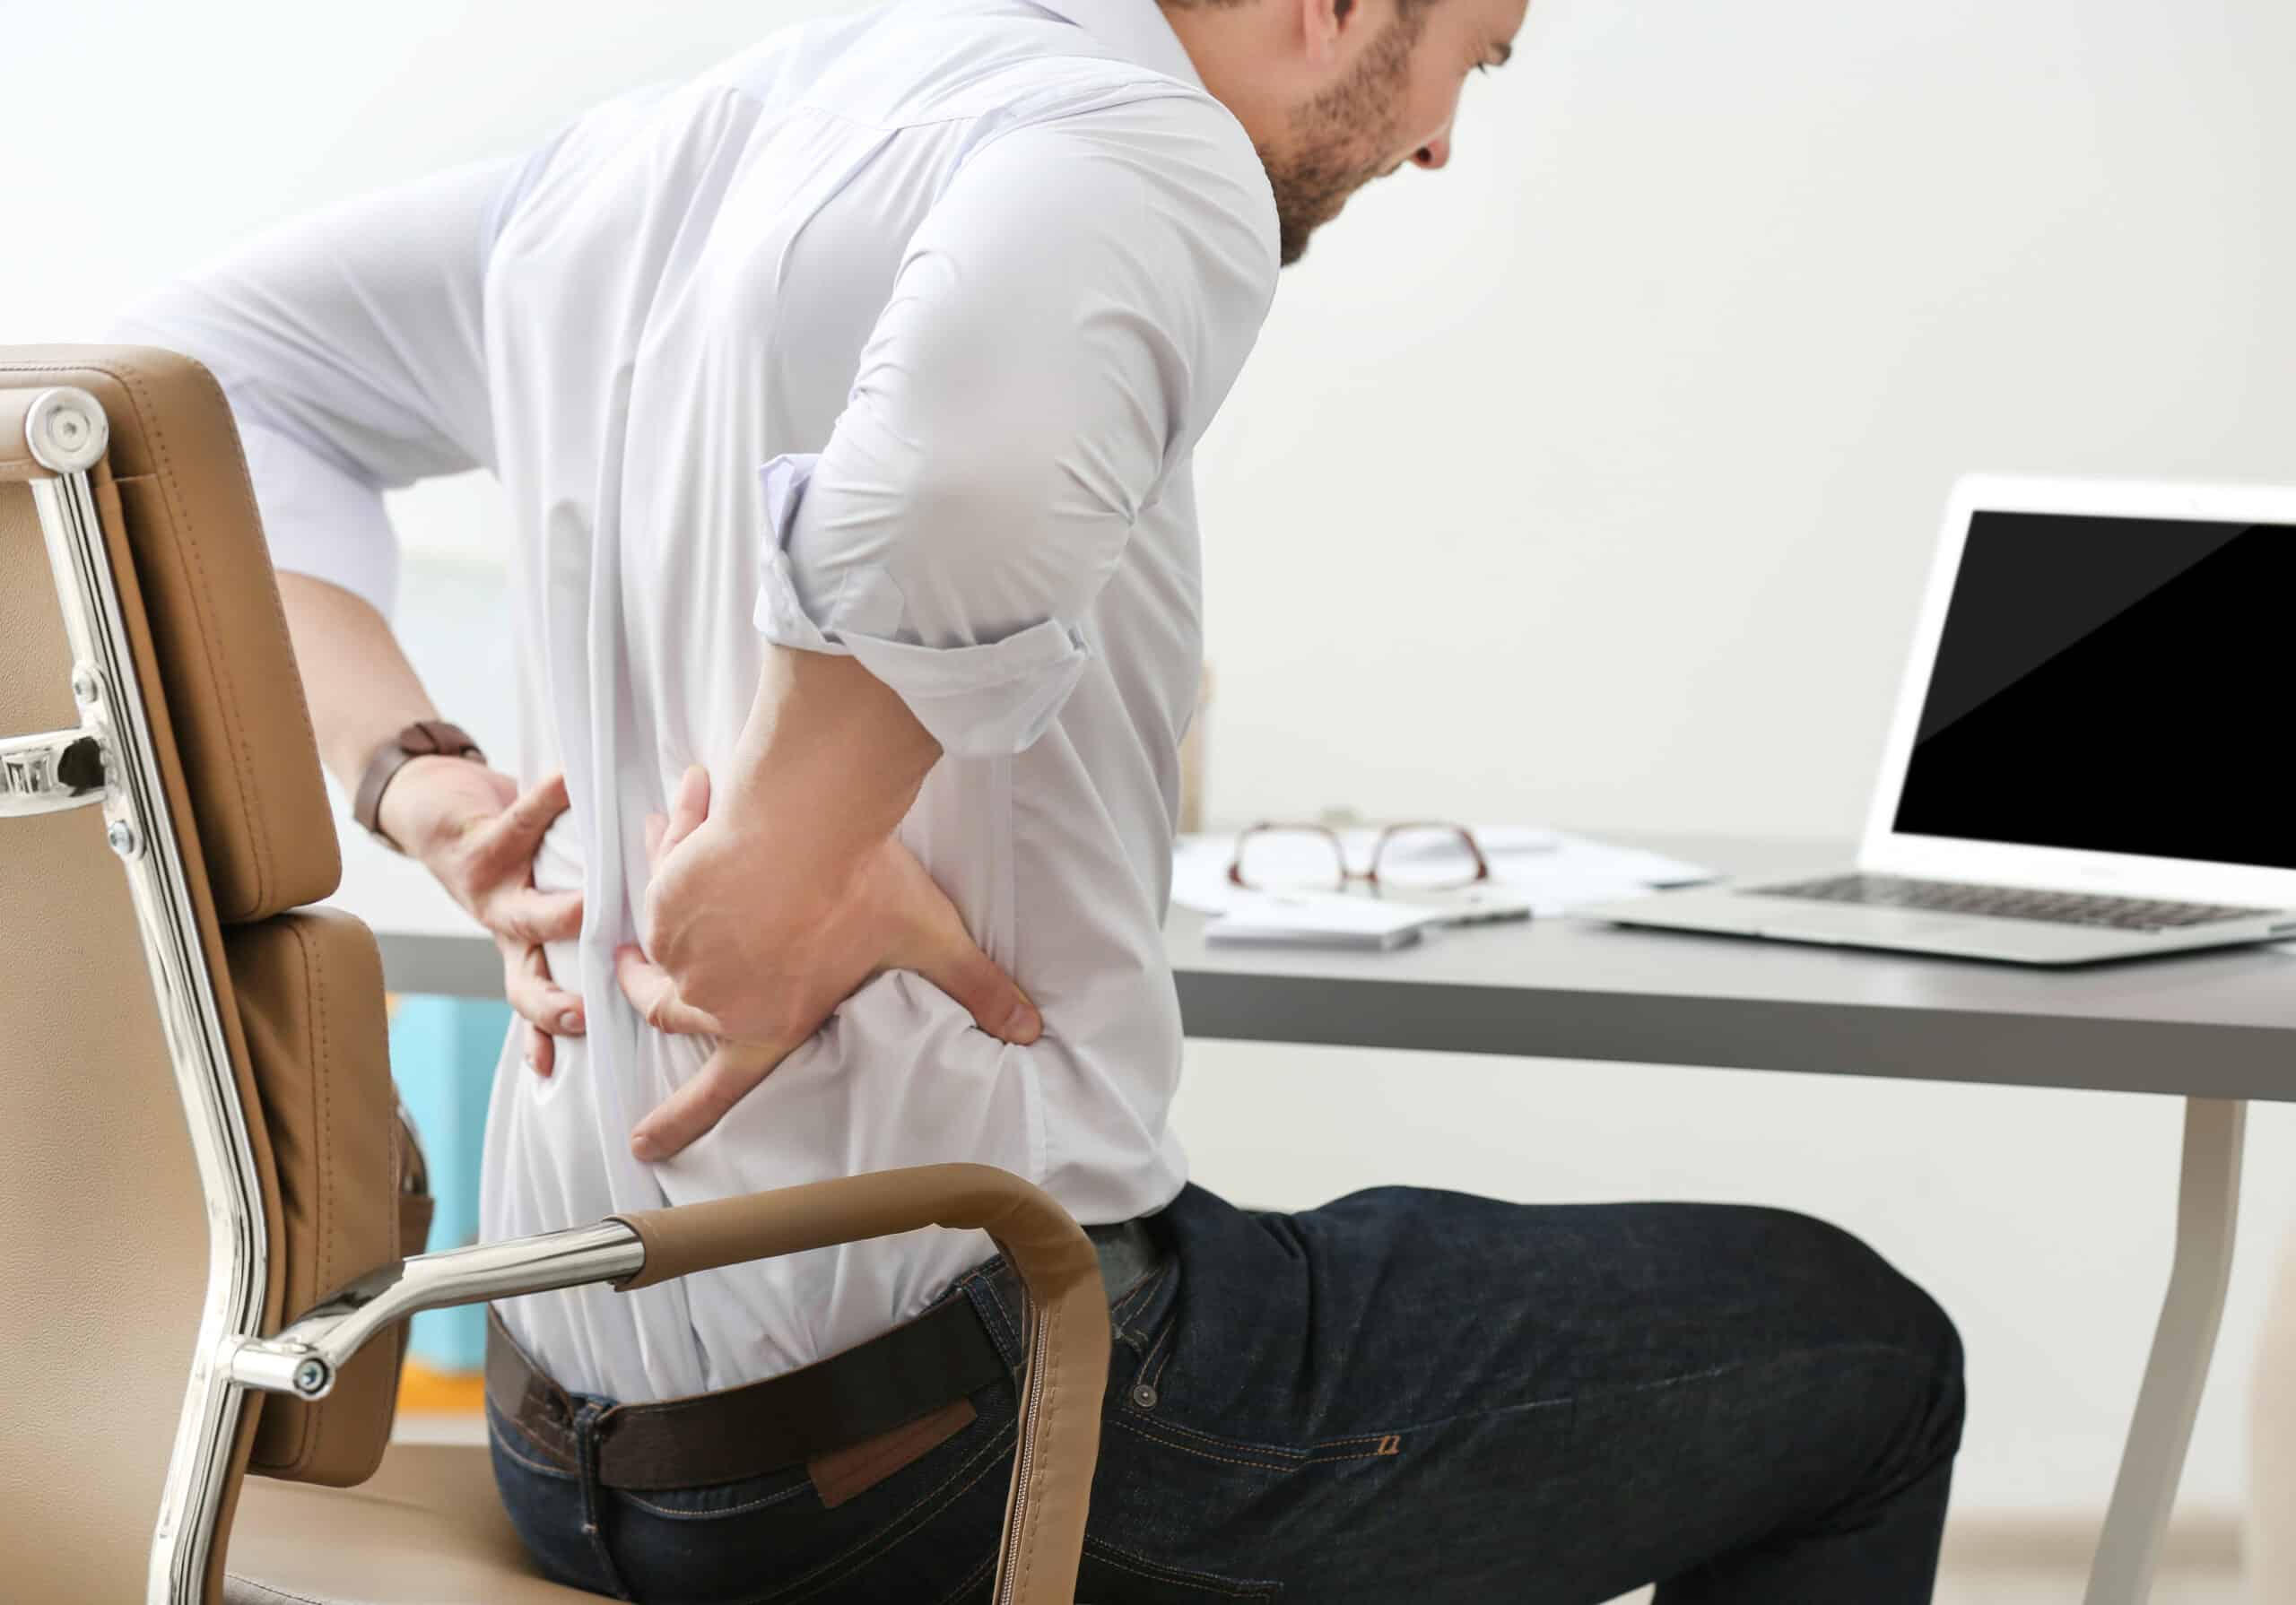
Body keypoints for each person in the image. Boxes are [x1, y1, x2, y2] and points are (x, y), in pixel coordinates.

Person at [117, 0, 1965, 1599]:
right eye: (1462, 59)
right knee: (1856, 1357)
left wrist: (415, 776)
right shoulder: (1140, 146)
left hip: (566, 1423)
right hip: (943, 1447)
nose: (1437, 147)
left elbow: (194, 384)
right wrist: (776, 861)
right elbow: (963, 492)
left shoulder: (662, 157)